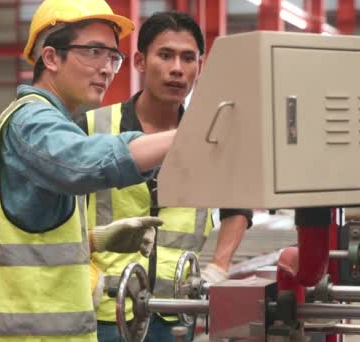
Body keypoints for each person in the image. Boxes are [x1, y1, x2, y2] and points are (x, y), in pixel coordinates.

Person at [0, 1, 178, 340]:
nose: (106, 68)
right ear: (51, 58)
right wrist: (189, 137)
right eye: (93, 52)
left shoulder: (53, 123)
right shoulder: (31, 120)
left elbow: (34, 237)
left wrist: (97, 239)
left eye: (112, 58)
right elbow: (85, 163)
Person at [78, 11, 252, 342]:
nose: (177, 68)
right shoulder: (92, 128)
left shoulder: (212, 137)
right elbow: (60, 214)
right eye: (165, 55)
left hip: (175, 313)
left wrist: (219, 267)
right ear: (140, 61)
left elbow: (239, 206)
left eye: (188, 58)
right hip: (103, 312)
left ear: (200, 67)